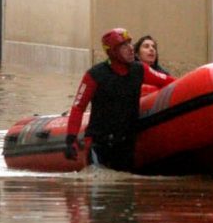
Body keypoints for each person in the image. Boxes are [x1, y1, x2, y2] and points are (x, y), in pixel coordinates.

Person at [64, 28, 176, 171]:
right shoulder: (95, 75)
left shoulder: (139, 69)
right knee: (98, 183)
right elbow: (78, 107)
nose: (130, 49)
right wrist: (70, 139)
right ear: (113, 52)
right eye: (124, 46)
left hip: (125, 144)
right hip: (99, 143)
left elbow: (168, 81)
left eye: (130, 43)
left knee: (125, 188)